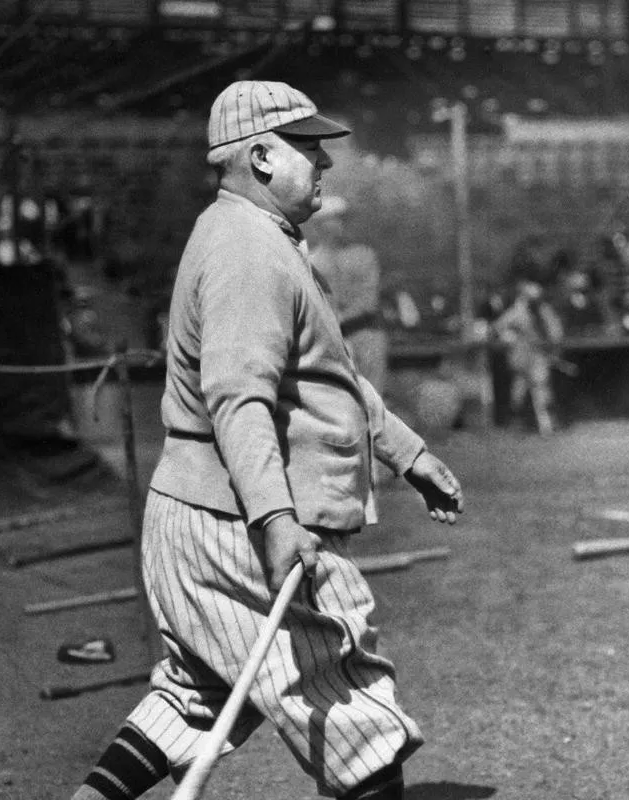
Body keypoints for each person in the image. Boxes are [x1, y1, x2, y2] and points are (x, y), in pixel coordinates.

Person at [70, 80, 464, 800]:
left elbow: (327, 378)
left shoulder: (254, 238)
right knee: (351, 709)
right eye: (308, 147)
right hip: (240, 522)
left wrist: (409, 454)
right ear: (259, 156)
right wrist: (276, 520)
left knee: (198, 696)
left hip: (196, 513)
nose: (326, 163)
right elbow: (239, 397)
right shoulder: (248, 253)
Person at [310, 195, 389, 400]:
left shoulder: (363, 255)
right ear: (320, 225)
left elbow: (369, 302)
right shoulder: (311, 261)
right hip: (330, 341)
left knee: (372, 400)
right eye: (334, 219)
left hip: (366, 334)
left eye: (342, 219)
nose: (340, 224)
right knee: (338, 400)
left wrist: (339, 318)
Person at [493, 265, 565, 435]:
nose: (534, 302)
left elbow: (556, 332)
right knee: (518, 393)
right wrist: (509, 337)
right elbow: (498, 327)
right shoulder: (518, 311)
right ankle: (516, 423)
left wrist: (552, 348)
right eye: (531, 299)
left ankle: (546, 426)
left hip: (538, 356)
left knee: (541, 389)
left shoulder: (544, 311)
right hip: (521, 357)